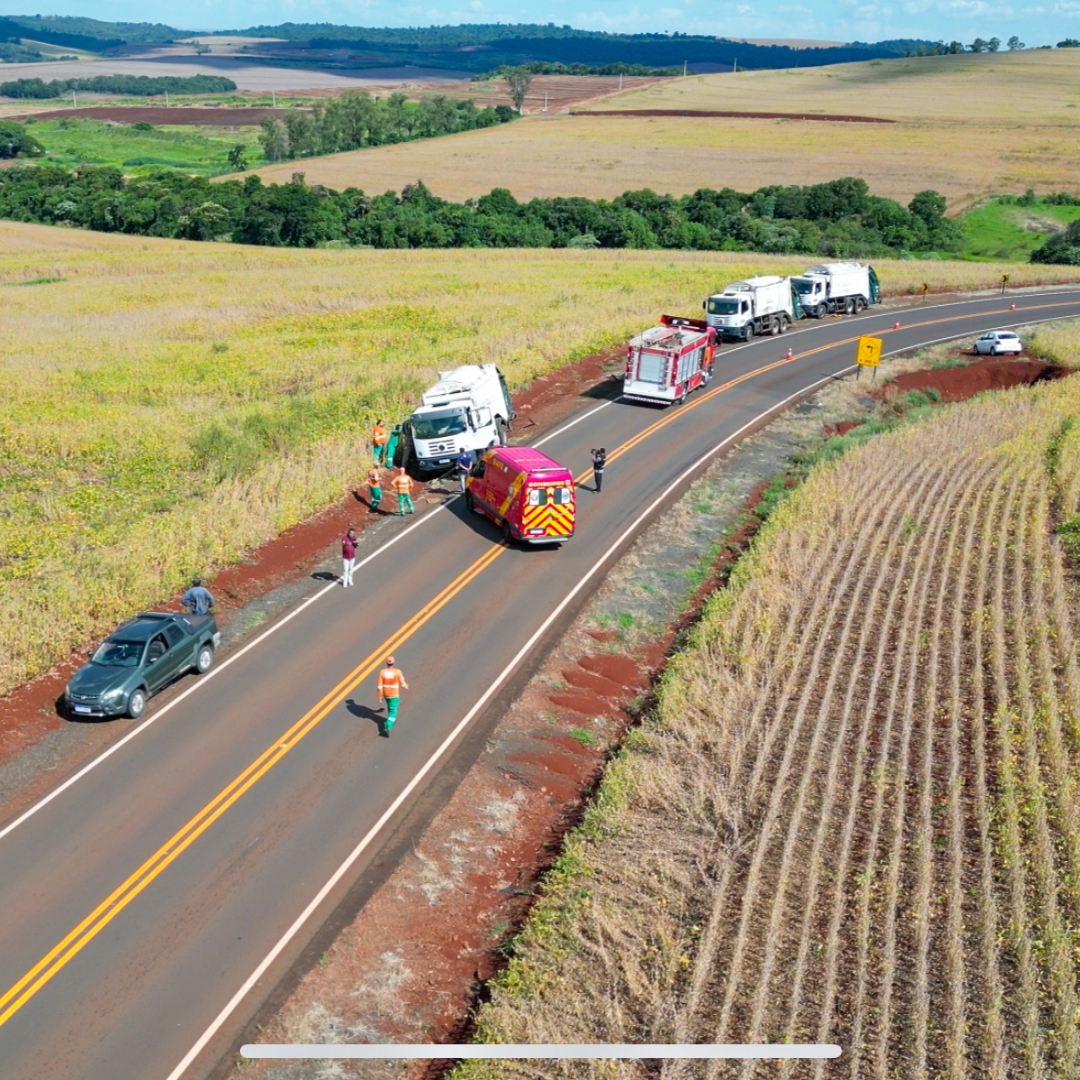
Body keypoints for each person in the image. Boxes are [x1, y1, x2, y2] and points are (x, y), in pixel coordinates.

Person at [376, 655, 409, 736]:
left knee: (390, 707)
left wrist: (379, 696)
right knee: (393, 712)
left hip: (386, 694)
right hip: (394, 694)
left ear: (386, 663)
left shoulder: (382, 672)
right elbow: (402, 682)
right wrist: (405, 686)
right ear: (394, 663)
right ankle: (387, 727)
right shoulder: (397, 672)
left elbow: (379, 686)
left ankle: (389, 721)